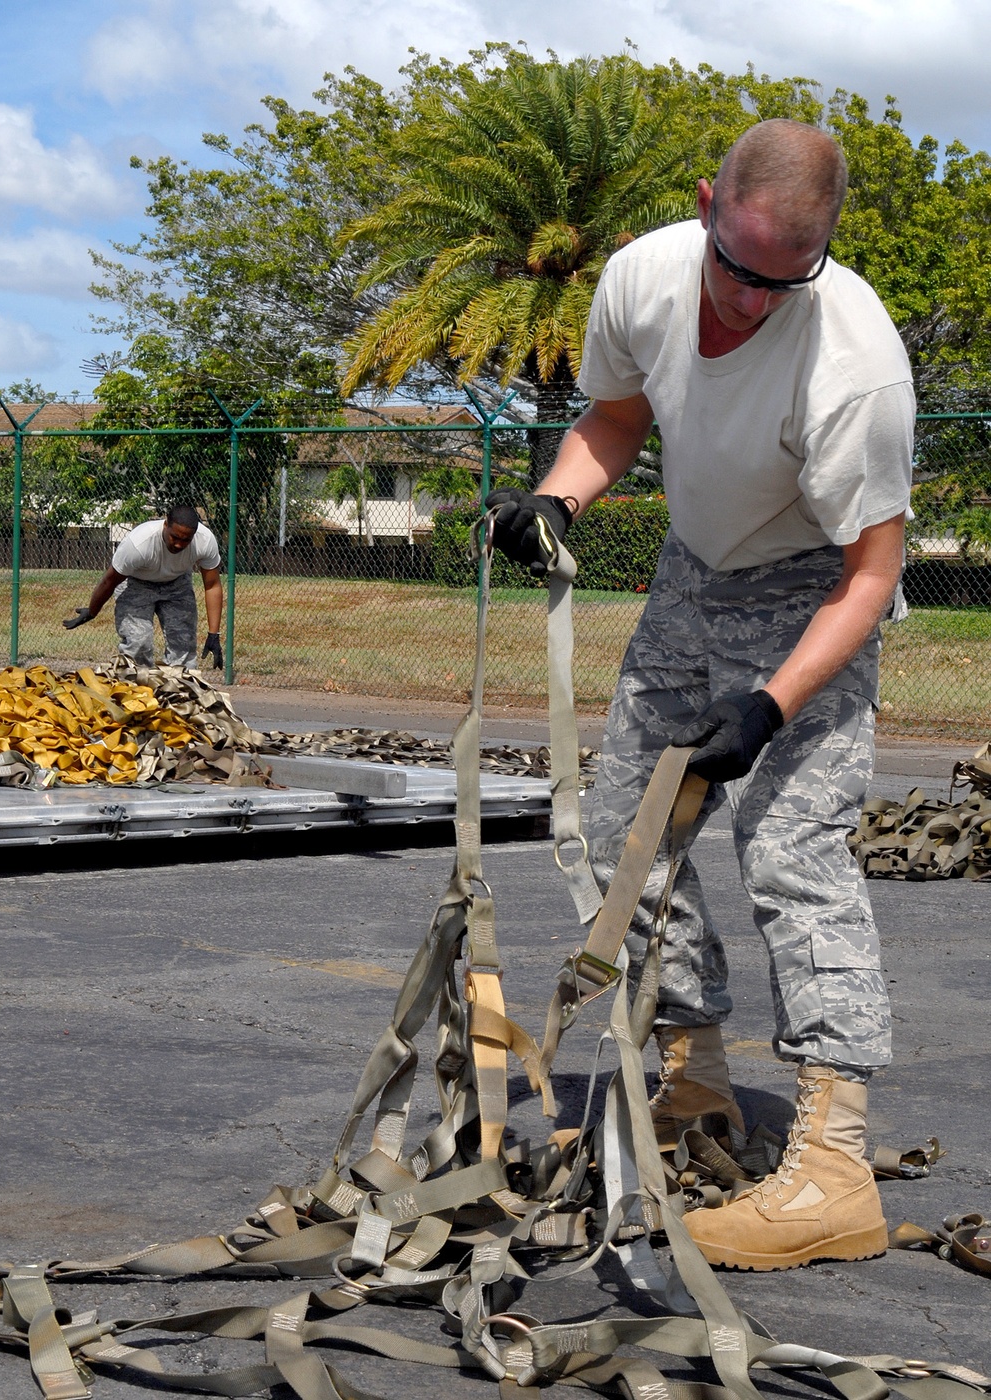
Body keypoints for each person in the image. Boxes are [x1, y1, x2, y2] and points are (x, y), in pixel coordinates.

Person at [487, 119, 914, 1272]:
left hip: (811, 587)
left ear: (818, 254)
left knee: (792, 848)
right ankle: (693, 1074)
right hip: (691, 573)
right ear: (702, 205)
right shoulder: (640, 278)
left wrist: (771, 705)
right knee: (630, 821)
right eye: (734, 268)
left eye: (785, 281)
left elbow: (873, 571)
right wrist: (556, 499)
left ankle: (833, 1165)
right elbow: (617, 417)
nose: (749, 303)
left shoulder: (853, 365)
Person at [64, 505, 224, 670]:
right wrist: (92, 610)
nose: (178, 545)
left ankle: (179, 692)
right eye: (175, 537)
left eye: (186, 540)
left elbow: (212, 585)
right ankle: (137, 690)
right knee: (138, 642)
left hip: (177, 584)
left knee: (183, 645)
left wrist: (214, 634)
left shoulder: (205, 541)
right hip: (136, 583)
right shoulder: (139, 544)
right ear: (165, 524)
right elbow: (109, 581)